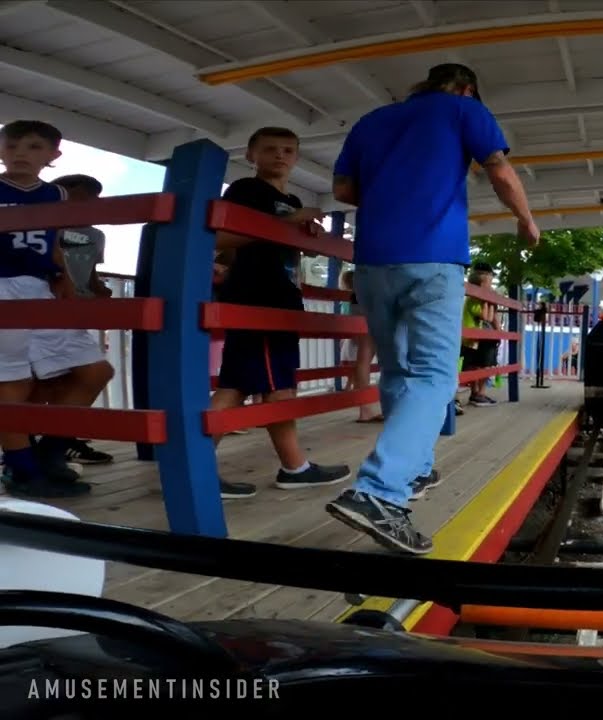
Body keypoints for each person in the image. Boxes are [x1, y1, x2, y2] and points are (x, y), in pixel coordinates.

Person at [325, 63, 539, 554]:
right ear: (467, 87)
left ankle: (415, 468)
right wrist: (526, 221)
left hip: (373, 261)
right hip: (433, 257)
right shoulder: (465, 109)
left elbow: (343, 191)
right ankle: (380, 491)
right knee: (434, 377)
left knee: (398, 368)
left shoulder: (372, 120)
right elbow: (500, 170)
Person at [210, 126, 351, 499]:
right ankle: (294, 468)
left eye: (288, 150)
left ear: (297, 157)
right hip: (261, 297)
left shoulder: (288, 198)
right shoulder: (245, 190)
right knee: (277, 386)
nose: (280, 155)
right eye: (270, 149)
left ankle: (197, 466)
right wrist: (288, 223)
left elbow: (294, 246)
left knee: (237, 385)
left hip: (278, 295)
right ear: (251, 155)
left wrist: (306, 234)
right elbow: (220, 238)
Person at [0, 120, 113, 498]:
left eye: (33, 147)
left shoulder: (58, 196)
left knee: (95, 370)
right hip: (1, 288)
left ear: (53, 156)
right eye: (12, 144)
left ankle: (48, 452)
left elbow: (54, 243)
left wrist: (63, 277)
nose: (20, 153)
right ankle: (22, 470)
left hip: (41, 289)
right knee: (11, 382)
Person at [48, 174, 115, 466]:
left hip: (78, 308)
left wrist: (100, 291)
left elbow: (90, 270)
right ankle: (42, 445)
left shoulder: (96, 234)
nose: (90, 199)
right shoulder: (42, 222)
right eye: (82, 193)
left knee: (87, 373)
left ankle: (59, 440)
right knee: (49, 379)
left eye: (94, 195)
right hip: (44, 305)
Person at [338, 269, 382, 423]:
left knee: (363, 359)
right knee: (387, 356)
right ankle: (390, 405)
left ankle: (365, 409)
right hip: (376, 303)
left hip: (360, 304)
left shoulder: (353, 295)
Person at [460, 262, 499, 407]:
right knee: (480, 365)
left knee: (480, 364)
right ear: (482, 285)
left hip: (476, 337)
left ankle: (478, 393)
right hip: (474, 338)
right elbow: (487, 317)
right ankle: (478, 393)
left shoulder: (475, 299)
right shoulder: (474, 300)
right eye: (489, 283)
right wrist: (489, 301)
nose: (491, 286)